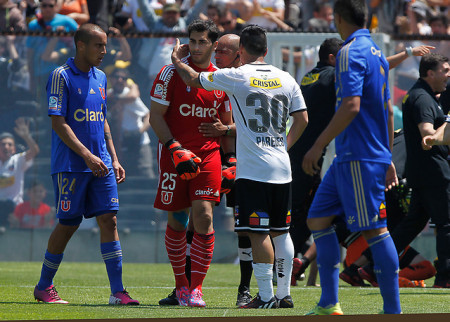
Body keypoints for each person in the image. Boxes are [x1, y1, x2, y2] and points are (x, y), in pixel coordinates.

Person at [171, 24, 308, 309]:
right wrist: (283, 146)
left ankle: (266, 296)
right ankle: (284, 295)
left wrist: (175, 60)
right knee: (282, 232)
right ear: (267, 50)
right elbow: (303, 119)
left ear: (241, 51)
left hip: (254, 169)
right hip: (283, 167)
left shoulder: (236, 75)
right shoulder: (286, 78)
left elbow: (195, 80)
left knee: (258, 233)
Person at [302, 0, 401, 315]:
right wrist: (387, 156)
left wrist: (317, 144)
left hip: (359, 156)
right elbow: (386, 110)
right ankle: (329, 303)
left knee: (374, 229)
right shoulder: (376, 55)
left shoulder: (348, 52)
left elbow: (350, 106)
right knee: (317, 219)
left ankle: (392, 311)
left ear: (338, 18)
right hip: (352, 156)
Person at [33, 23, 139, 305]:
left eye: (105, 45)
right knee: (68, 223)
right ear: (81, 45)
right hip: (71, 164)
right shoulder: (60, 76)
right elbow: (58, 123)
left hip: (101, 164)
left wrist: (112, 158)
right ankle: (44, 286)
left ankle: (118, 292)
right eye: (98, 45)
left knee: (109, 219)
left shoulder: (102, 77)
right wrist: (86, 155)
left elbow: (101, 119)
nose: (104, 51)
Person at [149, 20, 233, 308]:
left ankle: (196, 289)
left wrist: (230, 156)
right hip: (175, 155)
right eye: (192, 41)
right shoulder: (168, 73)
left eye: (202, 42)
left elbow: (228, 124)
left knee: (205, 217)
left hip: (209, 156)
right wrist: (173, 147)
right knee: (177, 219)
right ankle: (181, 286)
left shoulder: (222, 78)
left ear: (213, 45)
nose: (196, 47)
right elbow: (155, 117)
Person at [387, 53, 450, 288]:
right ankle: (445, 277)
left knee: (411, 224)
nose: (448, 74)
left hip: (422, 171)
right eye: (445, 70)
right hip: (433, 170)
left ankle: (374, 266)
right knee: (446, 224)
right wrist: (448, 123)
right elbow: (427, 133)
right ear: (430, 73)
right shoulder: (423, 99)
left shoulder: (421, 95)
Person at [107, 67, 155, 178]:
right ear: (111, 79)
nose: (120, 80)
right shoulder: (108, 96)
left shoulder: (130, 96)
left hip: (140, 142)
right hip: (120, 143)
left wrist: (140, 132)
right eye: (116, 77)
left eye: (123, 78)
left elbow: (148, 114)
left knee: (146, 173)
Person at [0, 118, 39, 227]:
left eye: (9, 144)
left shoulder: (18, 160)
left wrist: (26, 136)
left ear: (14, 149)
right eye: (3, 144)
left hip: (15, 209)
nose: (6, 147)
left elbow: (34, 151)